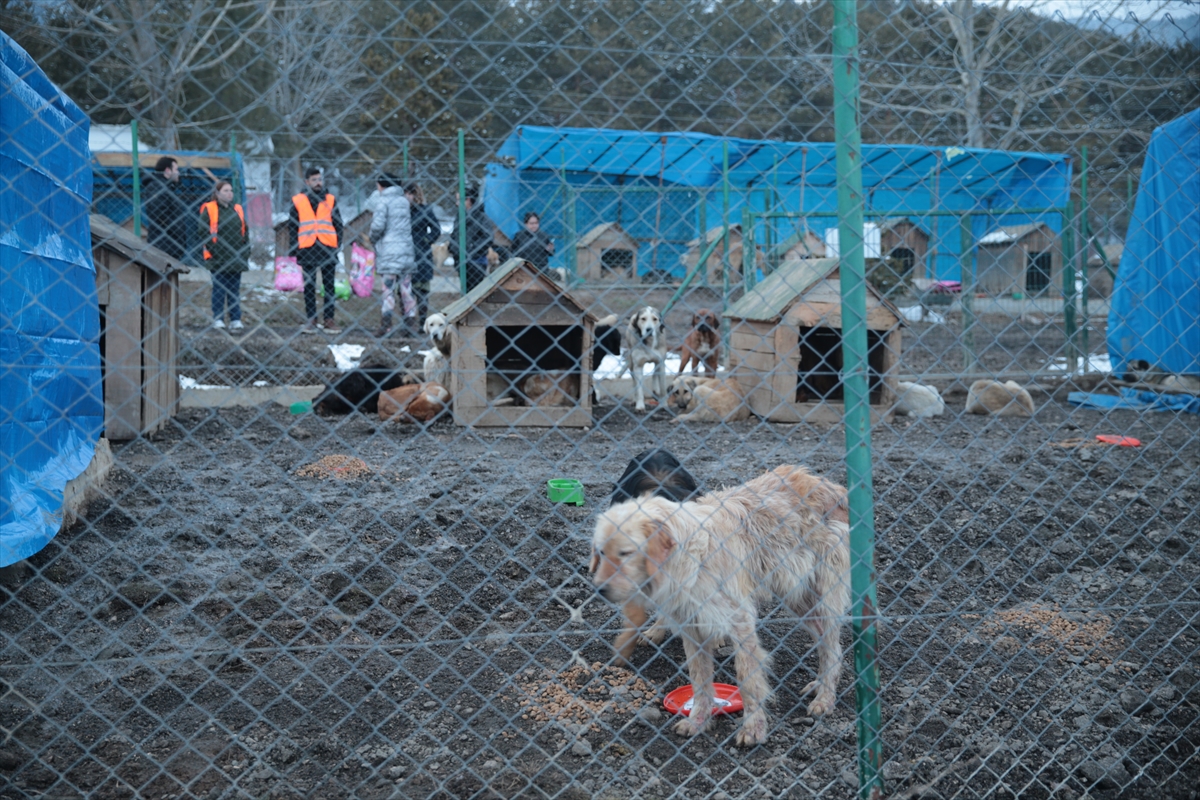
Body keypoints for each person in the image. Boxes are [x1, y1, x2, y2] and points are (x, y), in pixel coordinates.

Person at [289, 167, 344, 334]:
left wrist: (336, 244)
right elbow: (293, 226)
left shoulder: (330, 200)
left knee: (329, 286)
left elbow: (338, 224)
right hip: (307, 248)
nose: (318, 182)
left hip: (327, 247)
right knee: (309, 286)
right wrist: (294, 248)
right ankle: (311, 319)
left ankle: (329, 320)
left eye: (320, 179)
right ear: (307, 182)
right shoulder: (298, 201)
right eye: (314, 180)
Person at [368, 173, 416, 337]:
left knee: (388, 290)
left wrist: (372, 238)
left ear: (381, 185)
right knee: (406, 289)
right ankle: (410, 323)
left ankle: (386, 325)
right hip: (406, 251)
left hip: (389, 252)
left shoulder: (383, 201)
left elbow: (378, 227)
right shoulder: (404, 201)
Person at [199, 180, 249, 331]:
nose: (230, 193)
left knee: (234, 289)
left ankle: (235, 318)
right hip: (217, 258)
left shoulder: (238, 209)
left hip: (236, 258)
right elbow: (203, 232)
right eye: (226, 190)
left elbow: (245, 232)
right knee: (219, 289)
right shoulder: (209, 209)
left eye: (231, 190)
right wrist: (216, 251)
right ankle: (218, 318)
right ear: (217, 193)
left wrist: (245, 252)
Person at [406, 183, 441, 328]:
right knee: (406, 291)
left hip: (422, 256)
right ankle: (408, 322)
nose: (405, 197)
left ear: (415, 195)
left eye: (407, 194)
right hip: (405, 254)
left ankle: (422, 323)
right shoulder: (402, 211)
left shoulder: (426, 210)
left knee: (422, 291)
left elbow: (436, 229)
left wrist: (425, 240)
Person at [144, 156, 190, 260]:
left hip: (170, 245)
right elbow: (160, 215)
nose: (178, 173)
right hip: (164, 245)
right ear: (168, 170)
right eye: (176, 169)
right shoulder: (157, 187)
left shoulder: (166, 187)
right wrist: (177, 231)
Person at [453, 183, 496, 293]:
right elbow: (455, 235)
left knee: (474, 293)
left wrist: (471, 250)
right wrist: (453, 249)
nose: (456, 203)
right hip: (461, 261)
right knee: (465, 292)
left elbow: (488, 238)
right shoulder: (459, 216)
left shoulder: (482, 217)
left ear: (468, 200)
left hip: (477, 262)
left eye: (459, 200)